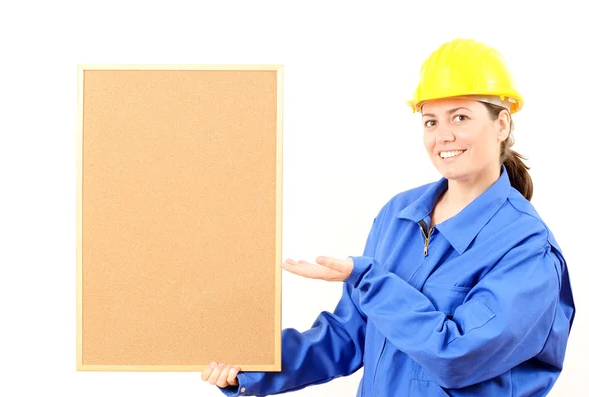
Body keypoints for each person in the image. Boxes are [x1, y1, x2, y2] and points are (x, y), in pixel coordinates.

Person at [201, 38, 576, 396]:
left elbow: (457, 355)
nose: (443, 135)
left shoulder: (527, 249)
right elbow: (349, 337)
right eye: (431, 121)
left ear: (502, 124)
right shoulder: (398, 216)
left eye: (460, 117)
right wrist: (251, 364)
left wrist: (367, 278)